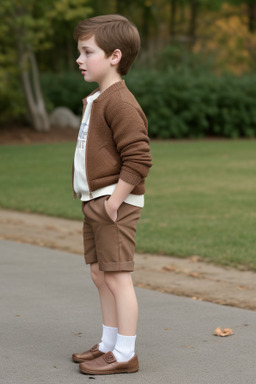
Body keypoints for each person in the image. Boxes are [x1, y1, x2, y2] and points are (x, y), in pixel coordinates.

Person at [71, 14, 152, 375]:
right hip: (98, 201)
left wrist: (114, 202)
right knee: (99, 274)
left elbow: (139, 158)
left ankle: (125, 353)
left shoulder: (120, 101)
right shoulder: (98, 98)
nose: (80, 59)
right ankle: (107, 343)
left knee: (118, 277)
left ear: (114, 56)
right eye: (80, 52)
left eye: (88, 52)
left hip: (113, 203)